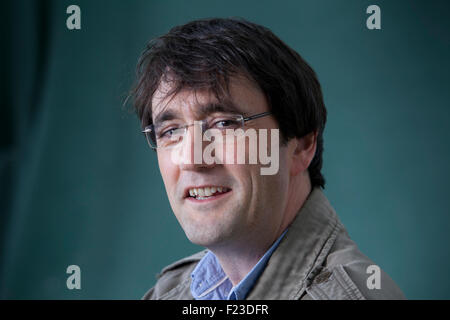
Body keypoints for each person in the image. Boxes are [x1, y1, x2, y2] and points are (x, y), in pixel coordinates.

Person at [128, 17, 405, 300]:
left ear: (300, 145)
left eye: (224, 124)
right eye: (170, 131)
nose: (191, 158)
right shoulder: (170, 292)